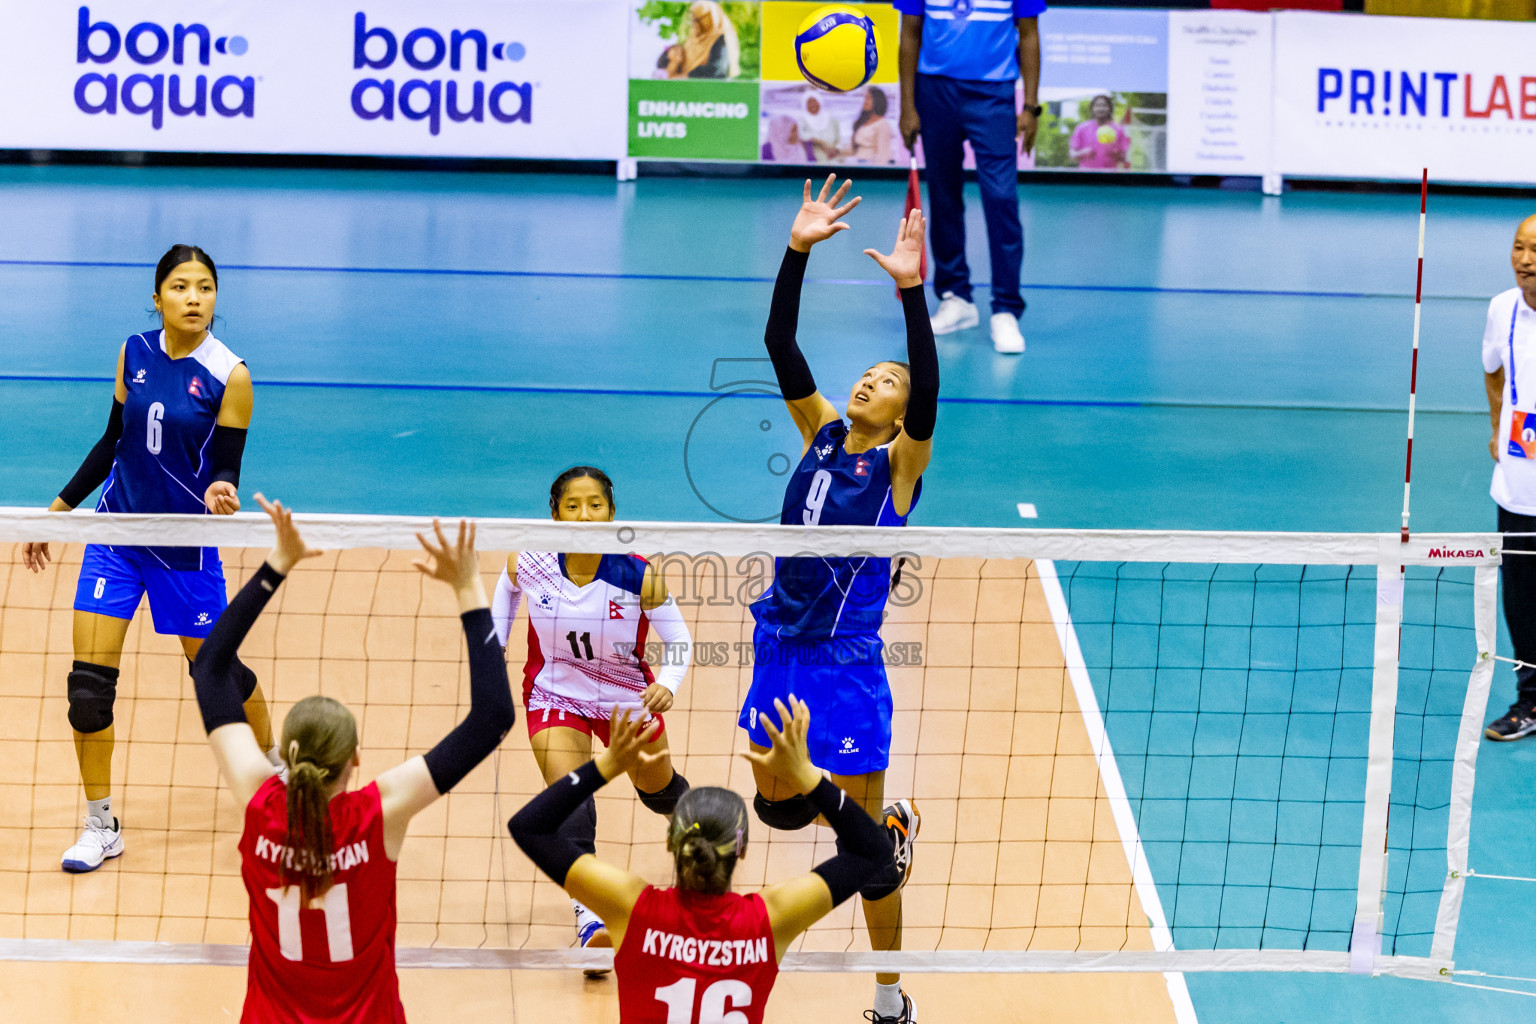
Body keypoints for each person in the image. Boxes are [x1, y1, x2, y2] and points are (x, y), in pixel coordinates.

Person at [736, 175, 937, 1024]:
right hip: (779, 646)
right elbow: (781, 342)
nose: (872, 381)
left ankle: (890, 999)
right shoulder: (820, 431)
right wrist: (796, 249)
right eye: (868, 373)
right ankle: (876, 828)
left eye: (885, 382)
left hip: (847, 663)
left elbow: (927, 388)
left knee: (865, 854)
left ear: (900, 417)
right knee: (774, 810)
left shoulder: (899, 470)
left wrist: (910, 293)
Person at [191, 497, 515, 1022]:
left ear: (285, 756)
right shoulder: (379, 813)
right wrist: (468, 587)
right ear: (356, 759)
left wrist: (278, 563)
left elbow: (209, 667)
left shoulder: (257, 797)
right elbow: (493, 717)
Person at [19, 244, 276, 874]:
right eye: (182, 286)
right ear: (157, 295)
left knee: (215, 675)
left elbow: (225, 465)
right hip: (117, 534)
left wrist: (222, 489)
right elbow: (114, 440)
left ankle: (272, 775)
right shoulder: (133, 351)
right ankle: (100, 823)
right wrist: (56, 509)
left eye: (206, 287)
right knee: (87, 690)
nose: (195, 298)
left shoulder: (230, 374)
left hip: (183, 544)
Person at [509, 696, 896, 1024]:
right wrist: (808, 777)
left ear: (671, 843)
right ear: (741, 851)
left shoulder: (632, 907)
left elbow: (530, 828)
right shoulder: (772, 917)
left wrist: (607, 765)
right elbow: (872, 849)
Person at [493, 466, 693, 971]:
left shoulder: (640, 574)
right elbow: (497, 622)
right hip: (555, 691)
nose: (585, 514)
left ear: (612, 512)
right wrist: (488, 660)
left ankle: (698, 839)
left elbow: (680, 642)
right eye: (573, 505)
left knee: (659, 789)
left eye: (596, 504)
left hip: (628, 697)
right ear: (555, 513)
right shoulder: (527, 564)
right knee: (571, 796)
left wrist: (666, 685)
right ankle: (590, 919)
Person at [896, 0, 1044, 354]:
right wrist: (907, 106)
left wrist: (1031, 107)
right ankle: (956, 298)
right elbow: (909, 35)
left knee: (1002, 199)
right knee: (944, 198)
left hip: (994, 95)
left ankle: (1006, 309)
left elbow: (1029, 35)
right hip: (935, 91)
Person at [1484, 214, 1536, 741]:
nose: (1525, 259)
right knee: (1522, 599)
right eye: (1519, 247)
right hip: (1520, 485)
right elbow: (1493, 368)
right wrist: (1497, 427)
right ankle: (1532, 702)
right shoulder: (1503, 309)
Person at [659, 1, 740, 80]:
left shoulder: (720, 40)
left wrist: (687, 75)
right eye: (695, 19)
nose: (698, 23)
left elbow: (718, 70)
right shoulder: (690, 41)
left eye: (703, 18)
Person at [1069, 95, 1128, 170]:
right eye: (1097, 105)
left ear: (1110, 109)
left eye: (1104, 105)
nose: (1100, 109)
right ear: (1092, 108)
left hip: (1110, 177)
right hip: (1086, 176)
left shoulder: (1119, 130)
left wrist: (1114, 150)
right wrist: (1083, 152)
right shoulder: (1081, 128)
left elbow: (1123, 159)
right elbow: (1072, 156)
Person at [846, 87, 895, 165]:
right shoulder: (862, 123)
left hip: (870, 165)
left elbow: (883, 154)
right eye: (865, 98)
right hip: (857, 163)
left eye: (868, 98)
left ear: (877, 101)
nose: (865, 102)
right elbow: (852, 149)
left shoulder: (882, 124)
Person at [798, 94, 841, 163]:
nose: (813, 104)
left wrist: (836, 150)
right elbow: (802, 136)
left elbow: (838, 139)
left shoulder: (831, 120)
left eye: (815, 101)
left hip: (832, 158)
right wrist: (820, 142)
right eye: (809, 102)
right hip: (814, 158)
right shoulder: (802, 121)